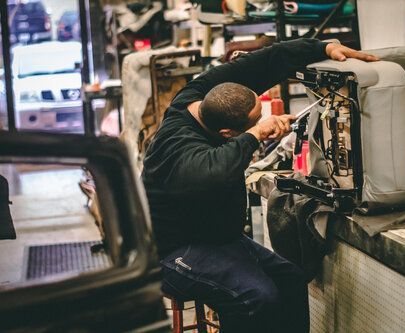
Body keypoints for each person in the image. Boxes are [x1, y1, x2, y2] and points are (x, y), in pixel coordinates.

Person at [142, 38, 377, 332]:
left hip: (218, 239)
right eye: (253, 120)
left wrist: (323, 48)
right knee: (255, 296)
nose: (261, 120)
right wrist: (255, 135)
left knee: (290, 279)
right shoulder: (179, 148)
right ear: (227, 133)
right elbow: (212, 171)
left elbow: (265, 60)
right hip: (171, 252)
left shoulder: (200, 94)